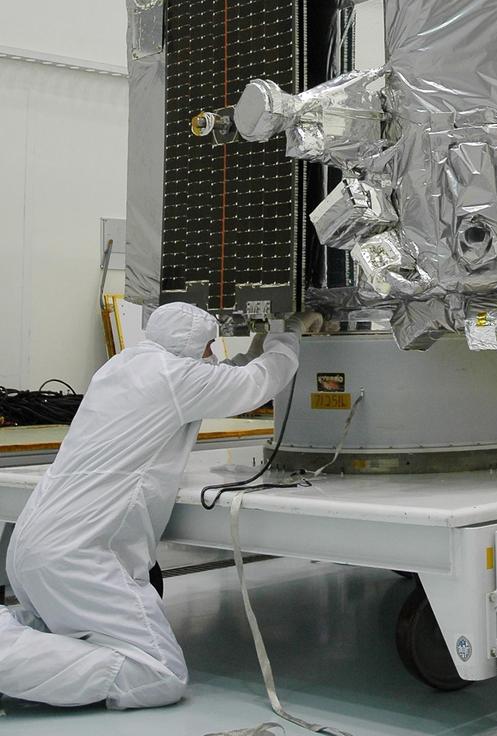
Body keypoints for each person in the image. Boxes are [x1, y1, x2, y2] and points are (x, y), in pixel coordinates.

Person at [0, 301, 322, 711]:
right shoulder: (175, 377)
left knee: (55, 633)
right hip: (80, 557)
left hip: (35, 545)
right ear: (195, 346)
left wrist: (258, 342)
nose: (213, 356)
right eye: (210, 348)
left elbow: (219, 376)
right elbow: (257, 382)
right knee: (157, 674)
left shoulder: (124, 366)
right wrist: (289, 333)